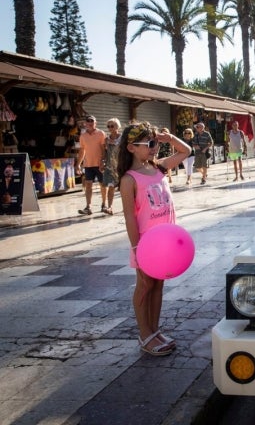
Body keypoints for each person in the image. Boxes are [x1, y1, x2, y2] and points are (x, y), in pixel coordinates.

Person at [117, 121, 190, 356]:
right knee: (145, 285)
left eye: (155, 143)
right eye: (149, 143)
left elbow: (186, 151)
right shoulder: (129, 180)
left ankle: (155, 330)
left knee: (158, 284)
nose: (154, 147)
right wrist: (136, 246)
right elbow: (130, 216)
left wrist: (168, 139)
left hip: (165, 244)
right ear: (131, 148)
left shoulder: (159, 168)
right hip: (146, 244)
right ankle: (144, 333)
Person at [76, 115, 108, 215]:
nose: (90, 123)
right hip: (88, 165)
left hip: (99, 164)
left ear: (95, 123)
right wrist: (78, 164)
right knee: (88, 185)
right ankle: (88, 207)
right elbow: (82, 151)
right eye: (88, 121)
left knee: (103, 185)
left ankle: (104, 205)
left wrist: (103, 161)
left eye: (92, 121)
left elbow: (104, 149)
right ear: (85, 123)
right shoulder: (83, 136)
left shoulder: (101, 134)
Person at [101, 118, 122, 215]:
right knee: (111, 187)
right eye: (108, 126)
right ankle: (110, 207)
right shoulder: (106, 140)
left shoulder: (123, 138)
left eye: (112, 126)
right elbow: (104, 153)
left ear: (117, 126)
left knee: (126, 188)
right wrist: (102, 162)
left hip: (122, 166)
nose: (110, 128)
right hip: (110, 167)